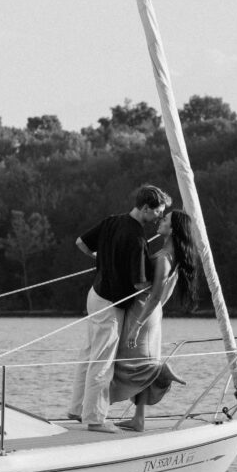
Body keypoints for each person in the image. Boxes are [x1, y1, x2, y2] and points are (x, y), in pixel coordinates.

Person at [67, 184, 171, 433]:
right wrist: (159, 287)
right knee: (103, 361)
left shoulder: (112, 220)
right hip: (110, 304)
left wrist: (102, 260)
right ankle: (94, 419)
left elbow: (81, 242)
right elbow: (139, 283)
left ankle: (77, 409)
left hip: (95, 294)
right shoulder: (136, 238)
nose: (158, 216)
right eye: (158, 211)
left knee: (89, 353)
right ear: (146, 207)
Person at [110, 209, 198, 432]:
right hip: (149, 313)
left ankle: (160, 370)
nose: (160, 221)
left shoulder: (164, 259)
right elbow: (160, 297)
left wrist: (137, 327)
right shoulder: (172, 255)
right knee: (136, 365)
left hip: (142, 312)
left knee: (130, 365)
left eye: (165, 219)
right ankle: (138, 419)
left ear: (173, 229)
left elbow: (156, 295)